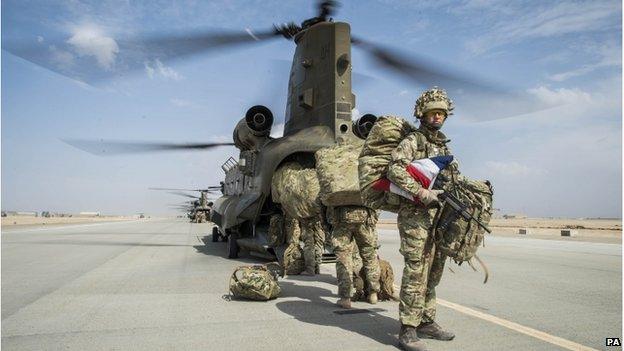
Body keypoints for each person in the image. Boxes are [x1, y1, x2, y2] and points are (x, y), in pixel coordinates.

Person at [387, 87, 458, 351]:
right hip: (415, 217)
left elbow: (453, 177)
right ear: (422, 114)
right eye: (432, 113)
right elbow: (394, 169)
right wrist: (420, 192)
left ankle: (427, 320)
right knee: (416, 269)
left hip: (439, 217)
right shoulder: (413, 141)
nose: (437, 117)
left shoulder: (444, 145)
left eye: (441, 113)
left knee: (435, 268)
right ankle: (408, 328)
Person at [328, 205, 380, 308]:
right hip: (364, 219)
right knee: (370, 257)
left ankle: (345, 298)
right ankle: (373, 293)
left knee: (343, 258)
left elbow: (327, 199)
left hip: (342, 219)